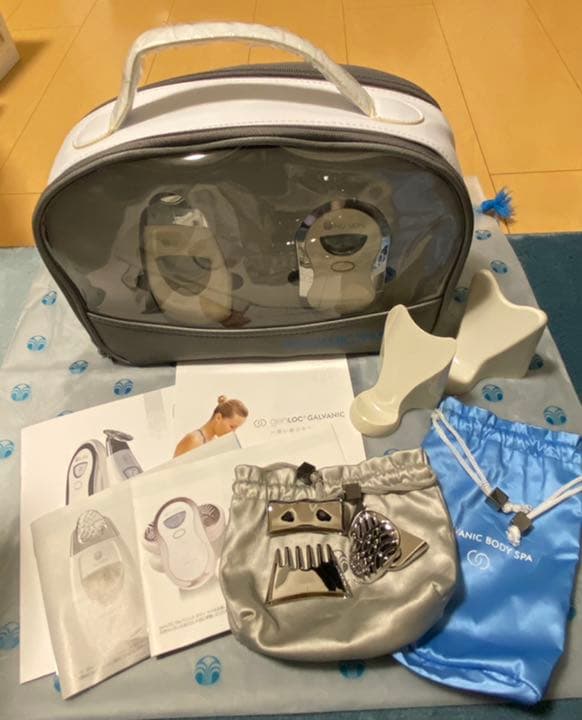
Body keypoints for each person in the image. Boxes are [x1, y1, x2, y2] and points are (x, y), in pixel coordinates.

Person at [173, 395, 248, 457]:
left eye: (236, 428)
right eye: (232, 427)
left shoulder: (214, 442)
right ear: (218, 417)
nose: (233, 432)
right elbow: (174, 470)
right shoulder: (193, 440)